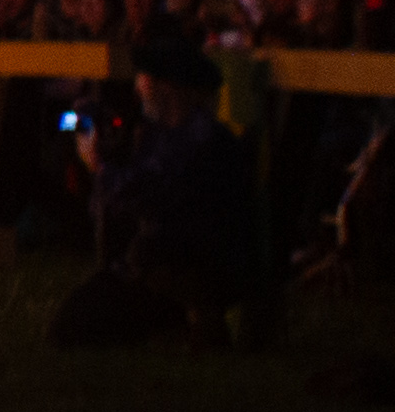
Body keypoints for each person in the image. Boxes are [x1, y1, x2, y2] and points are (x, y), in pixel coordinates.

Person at [52, 38, 257, 346]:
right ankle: (171, 329)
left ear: (167, 86)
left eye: (143, 78)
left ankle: (198, 320)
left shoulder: (202, 139)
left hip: (193, 266)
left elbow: (150, 197)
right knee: (72, 323)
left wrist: (99, 169)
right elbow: (114, 208)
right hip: (154, 264)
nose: (137, 88)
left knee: (90, 318)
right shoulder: (157, 134)